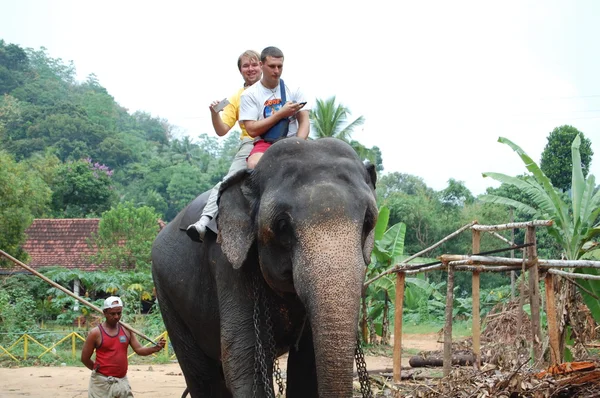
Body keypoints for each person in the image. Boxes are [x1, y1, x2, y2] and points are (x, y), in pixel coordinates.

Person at [186, 49, 262, 242]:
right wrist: (214, 113)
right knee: (228, 182)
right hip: (250, 144)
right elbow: (222, 130)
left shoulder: (274, 91)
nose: (251, 69)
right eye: (246, 65)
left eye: (254, 64)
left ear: (262, 66)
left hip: (276, 141)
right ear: (240, 71)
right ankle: (204, 222)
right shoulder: (235, 98)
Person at [239, 46, 310, 169]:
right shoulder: (249, 95)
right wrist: (280, 114)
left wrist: (298, 143)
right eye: (272, 66)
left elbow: (304, 122)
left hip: (294, 141)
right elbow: (251, 130)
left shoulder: (295, 89)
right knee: (253, 164)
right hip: (266, 143)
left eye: (279, 66)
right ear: (261, 65)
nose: (276, 71)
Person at [81, 296, 166, 398]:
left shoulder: (126, 330)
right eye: (112, 314)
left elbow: (139, 350)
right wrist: (97, 369)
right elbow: (84, 358)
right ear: (105, 313)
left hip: (122, 382)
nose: (116, 317)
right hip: (101, 383)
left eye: (119, 313)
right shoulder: (95, 333)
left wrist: (155, 348)